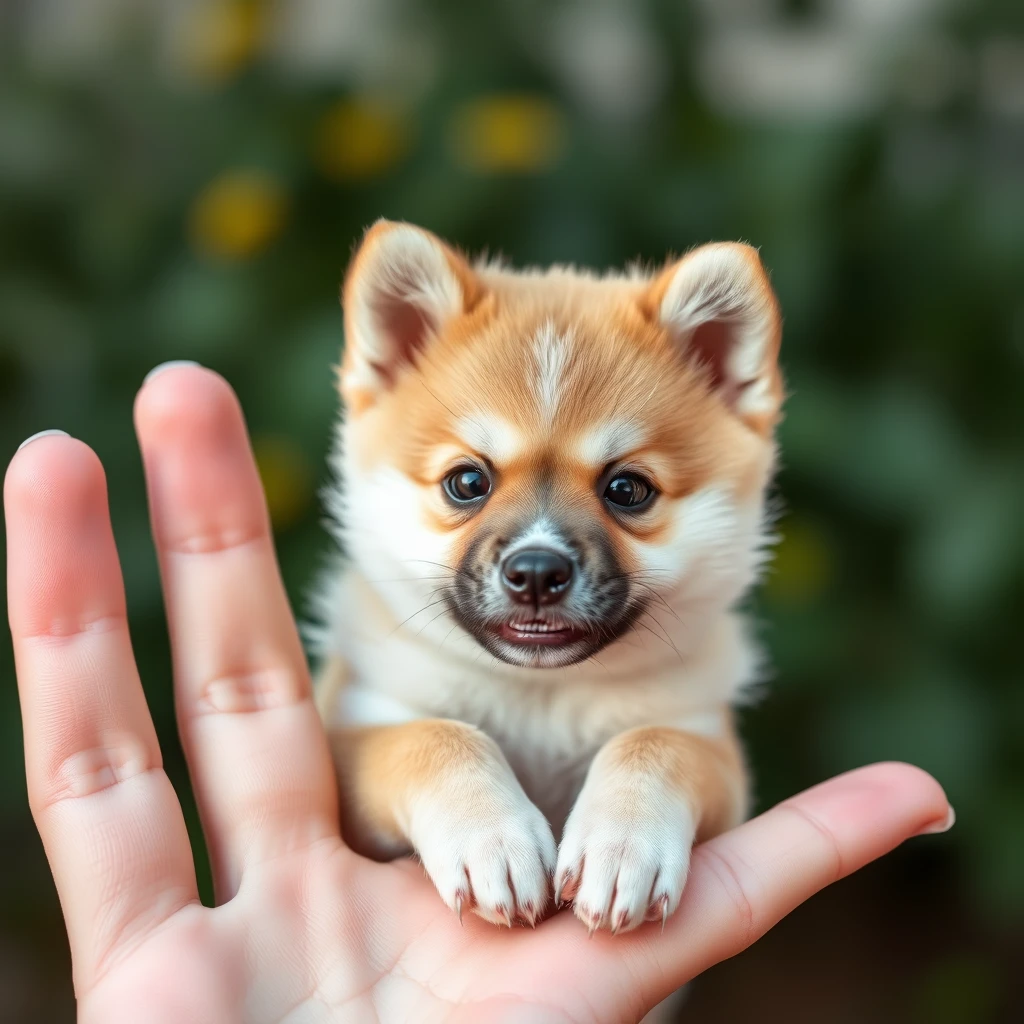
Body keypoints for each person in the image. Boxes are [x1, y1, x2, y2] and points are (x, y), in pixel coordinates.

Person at [4, 363, 954, 1024]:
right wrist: (440, 772)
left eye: (627, 489)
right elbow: (348, 772)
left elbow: (701, 768)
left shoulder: (681, 664)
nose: (537, 550)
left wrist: (650, 775)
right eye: (467, 481)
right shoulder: (386, 649)